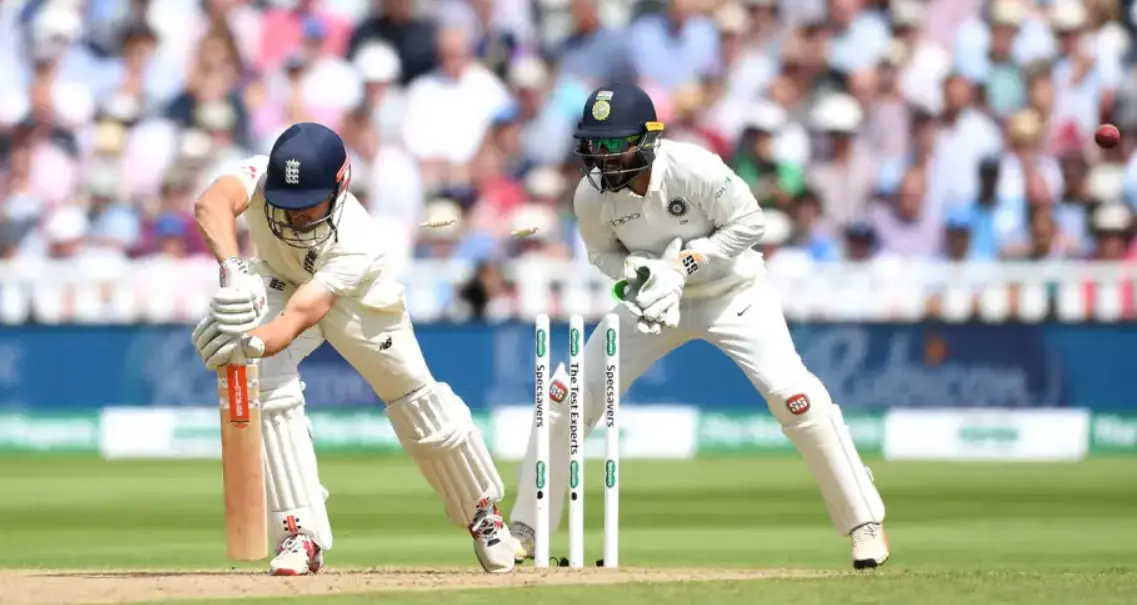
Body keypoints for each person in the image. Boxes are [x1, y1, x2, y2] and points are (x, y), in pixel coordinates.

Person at [508, 84, 890, 569]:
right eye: (593, 147)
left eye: (612, 145)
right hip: (653, 304)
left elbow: (750, 223)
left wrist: (685, 263)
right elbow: (603, 253)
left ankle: (864, 523)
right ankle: (526, 526)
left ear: (647, 141)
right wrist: (639, 275)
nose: (601, 159)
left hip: (732, 295)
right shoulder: (591, 197)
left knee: (794, 397)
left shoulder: (695, 168)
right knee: (565, 396)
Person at [189, 122, 514, 576]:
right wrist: (233, 269)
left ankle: (484, 515)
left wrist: (246, 342)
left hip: (358, 301)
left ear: (340, 187)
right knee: (264, 378)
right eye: (287, 206)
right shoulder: (263, 176)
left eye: (308, 208)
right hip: (281, 281)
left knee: (416, 400)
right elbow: (211, 203)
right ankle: (300, 535)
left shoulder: (359, 242)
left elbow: (300, 317)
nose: (296, 218)